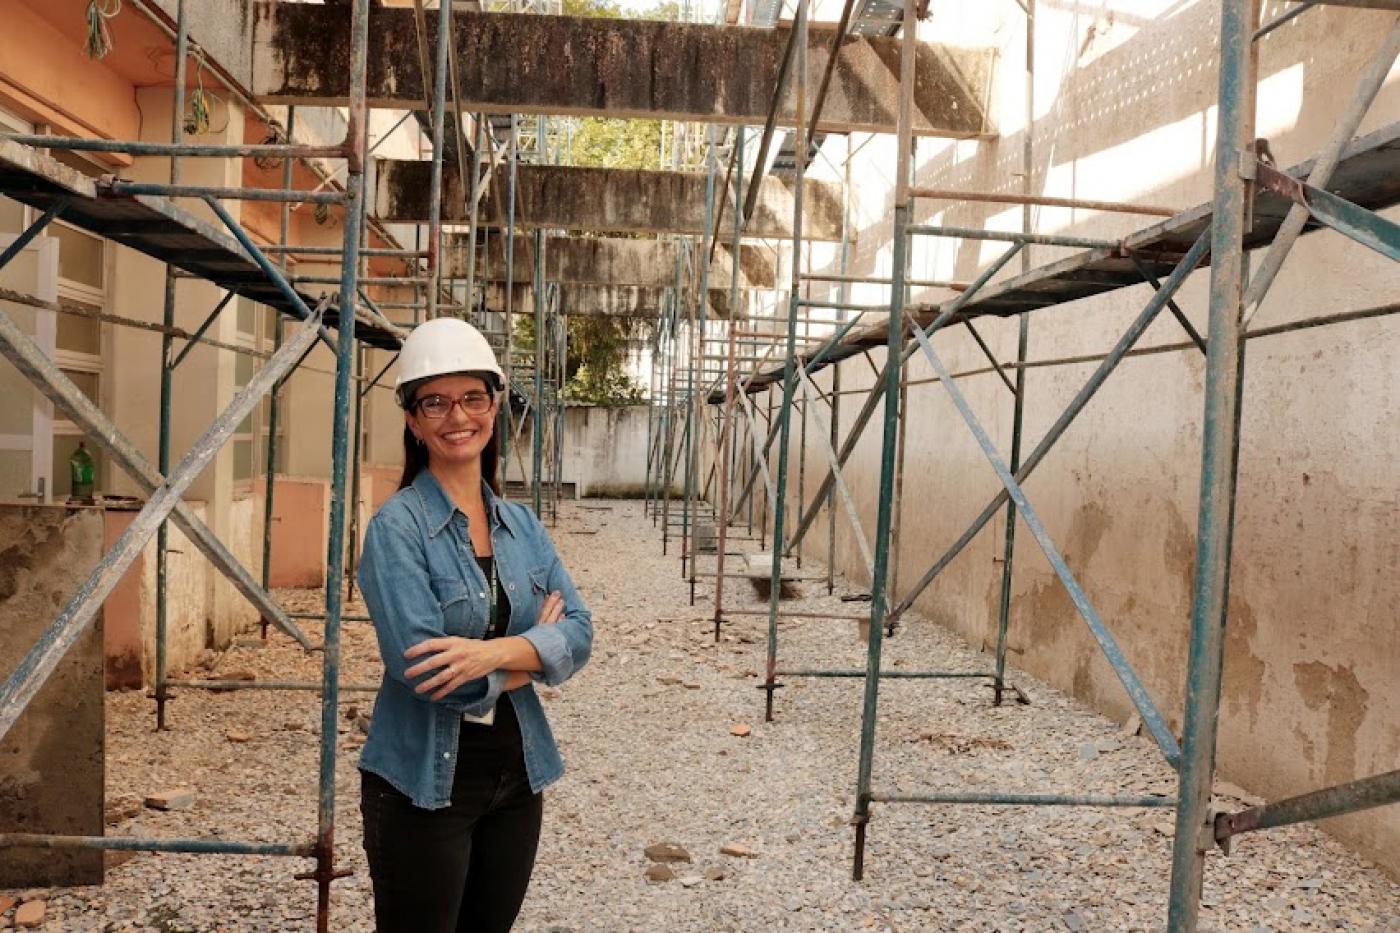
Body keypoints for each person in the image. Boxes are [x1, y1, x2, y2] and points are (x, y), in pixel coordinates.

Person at [356, 317, 593, 933]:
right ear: (412, 420)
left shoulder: (522, 525)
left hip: (518, 779)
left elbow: (582, 632)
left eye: (472, 397)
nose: (456, 416)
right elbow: (432, 675)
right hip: (423, 788)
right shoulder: (396, 530)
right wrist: (536, 655)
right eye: (434, 401)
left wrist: (492, 654)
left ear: (493, 406)